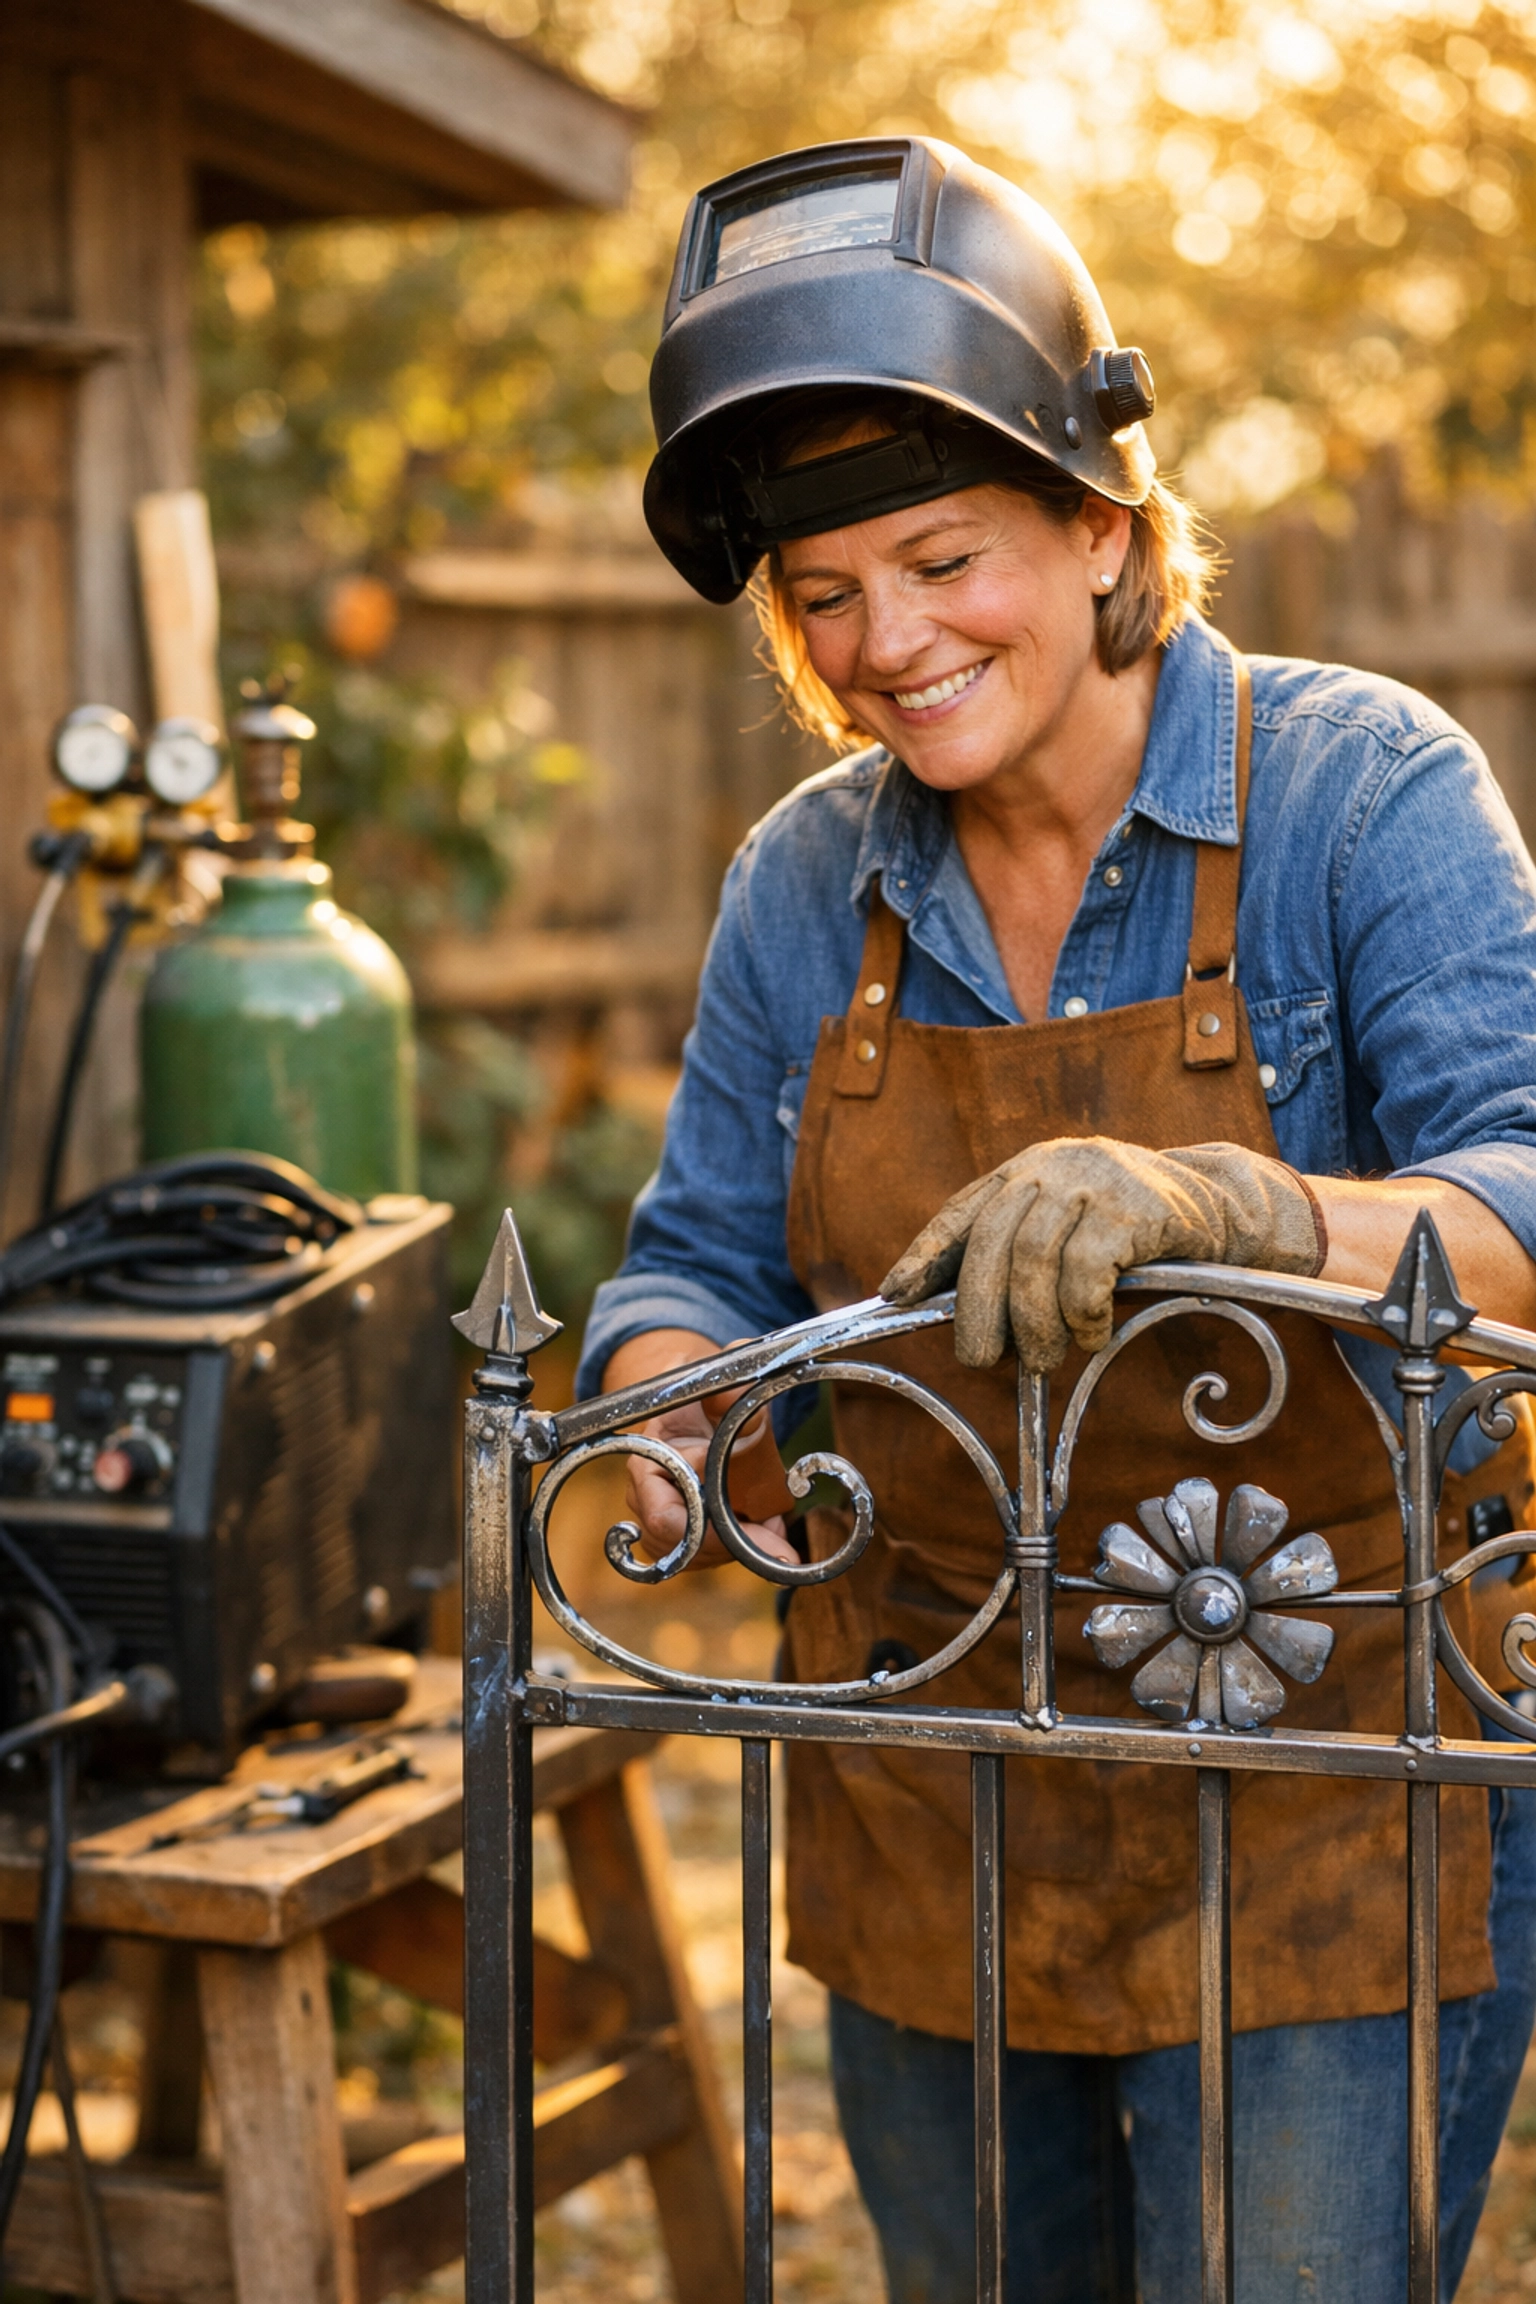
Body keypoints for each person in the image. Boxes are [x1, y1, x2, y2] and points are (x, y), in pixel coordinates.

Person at [575, 135, 1536, 2302]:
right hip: (938, 1760)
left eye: (945, 557)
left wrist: (1229, 1197)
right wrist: (659, 1406)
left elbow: (1526, 1194)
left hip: (1325, 1766)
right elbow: (697, 1264)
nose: (886, 644)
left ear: (1105, 523)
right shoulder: (805, 885)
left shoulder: (1363, 791)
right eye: (821, 594)